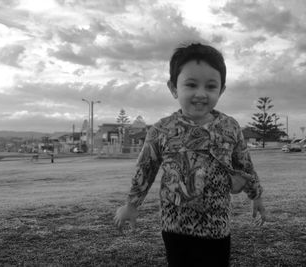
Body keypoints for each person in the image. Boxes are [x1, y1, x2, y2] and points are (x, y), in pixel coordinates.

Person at [114, 43, 267, 267]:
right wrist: (131, 204)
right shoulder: (161, 130)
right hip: (175, 226)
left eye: (211, 86)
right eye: (191, 85)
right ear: (174, 88)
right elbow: (145, 168)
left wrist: (257, 196)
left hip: (217, 226)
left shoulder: (230, 127)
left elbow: (244, 165)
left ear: (221, 90)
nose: (201, 94)